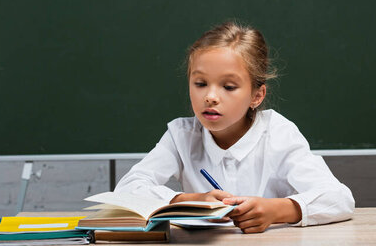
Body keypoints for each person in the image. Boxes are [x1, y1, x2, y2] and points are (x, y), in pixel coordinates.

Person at [115, 21, 355, 233]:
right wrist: (189, 200)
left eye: (228, 87)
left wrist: (277, 210)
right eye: (200, 83)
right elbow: (126, 190)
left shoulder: (278, 134)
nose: (210, 96)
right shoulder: (181, 135)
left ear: (257, 96)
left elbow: (340, 198)